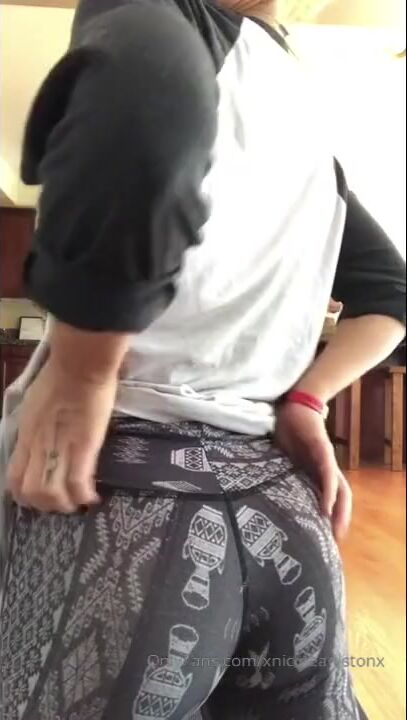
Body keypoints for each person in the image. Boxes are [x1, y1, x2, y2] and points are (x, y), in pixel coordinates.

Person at [0, 0, 405, 718]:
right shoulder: (299, 114)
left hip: (121, 503)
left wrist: (83, 369)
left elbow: (145, 98)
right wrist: (307, 399)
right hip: (283, 507)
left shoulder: (154, 13)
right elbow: (392, 292)